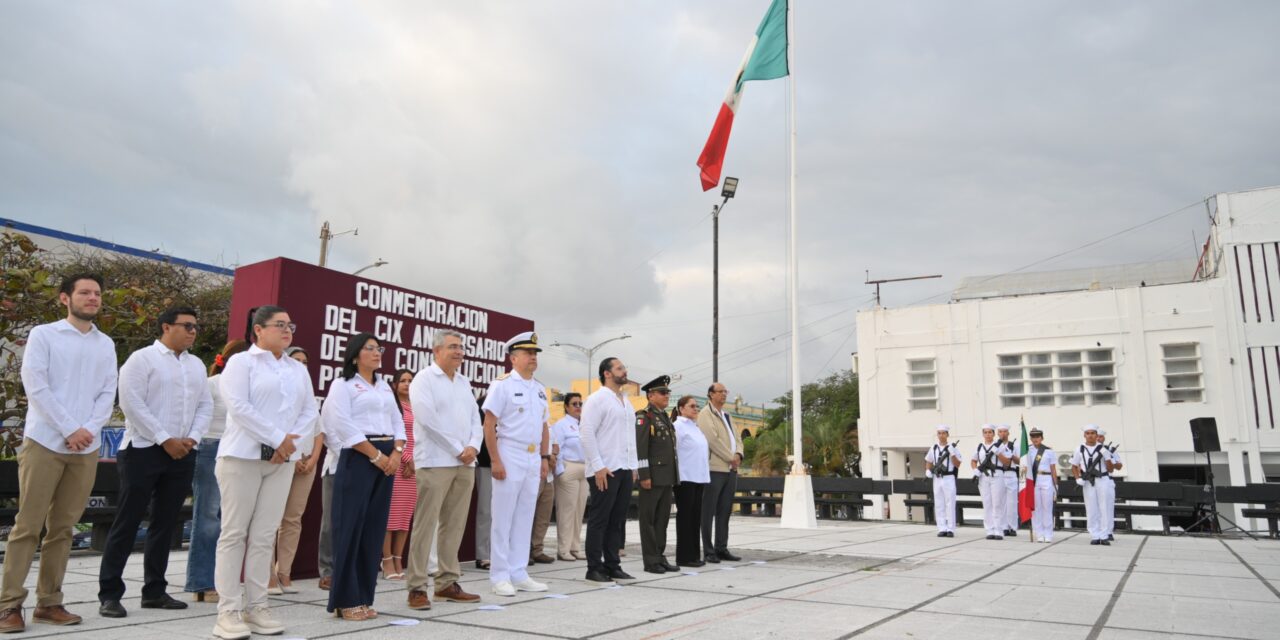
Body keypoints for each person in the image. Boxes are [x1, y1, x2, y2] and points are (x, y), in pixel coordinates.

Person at [0, 274, 117, 633]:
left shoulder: (105, 343)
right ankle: (8, 605)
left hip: (85, 447)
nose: (92, 298)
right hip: (46, 442)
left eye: (97, 293)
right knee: (28, 526)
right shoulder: (44, 335)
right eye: (85, 292)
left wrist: (89, 431)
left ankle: (49, 602)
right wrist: (70, 429)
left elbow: (107, 391)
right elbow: (36, 385)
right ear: (65, 298)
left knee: (64, 527)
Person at [98, 306, 213, 618]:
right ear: (165, 327)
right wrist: (165, 439)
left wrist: (193, 438)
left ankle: (155, 591)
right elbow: (131, 403)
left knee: (166, 522)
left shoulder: (196, 365)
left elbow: (205, 404)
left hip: (183, 452)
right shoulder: (142, 359)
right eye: (187, 326)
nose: (193, 332)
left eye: (195, 327)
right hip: (143, 450)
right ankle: (110, 593)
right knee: (128, 520)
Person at [212, 306, 317, 640]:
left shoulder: (296, 370)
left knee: (263, 535)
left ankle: (257, 606)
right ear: (258, 329)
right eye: (280, 325)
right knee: (234, 534)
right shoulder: (241, 363)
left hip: (281, 462)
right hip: (242, 457)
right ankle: (227, 611)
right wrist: (277, 440)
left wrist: (288, 447)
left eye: (290, 325)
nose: (287, 331)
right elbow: (239, 407)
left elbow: (309, 411)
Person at [322, 333, 405, 620]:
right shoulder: (342, 384)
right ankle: (346, 600)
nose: (376, 352)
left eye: (379, 348)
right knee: (351, 529)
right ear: (355, 354)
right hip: (359, 456)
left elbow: (398, 421)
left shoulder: (383, 386)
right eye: (369, 348)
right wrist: (376, 456)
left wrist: (395, 452)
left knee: (372, 530)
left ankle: (364, 597)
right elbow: (342, 424)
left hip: (387, 457)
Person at [405, 330, 483, 610]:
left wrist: (473, 446)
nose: (459, 352)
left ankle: (446, 583)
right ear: (437, 351)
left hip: (465, 463)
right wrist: (457, 449)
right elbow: (427, 419)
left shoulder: (463, 382)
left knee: (454, 524)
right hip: (436, 461)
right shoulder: (424, 380)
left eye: (461, 347)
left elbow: (476, 417)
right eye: (453, 347)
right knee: (426, 526)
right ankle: (416, 586)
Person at [481, 332, 551, 596]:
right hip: (509, 452)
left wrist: (544, 457)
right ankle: (499, 575)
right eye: (528, 353)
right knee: (503, 516)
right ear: (513, 358)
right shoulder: (503, 385)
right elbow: (489, 424)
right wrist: (495, 459)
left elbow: (544, 426)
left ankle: (519, 572)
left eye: (535, 354)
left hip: (533, 457)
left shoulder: (541, 388)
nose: (533, 357)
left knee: (524, 516)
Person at [186, 339, 249, 603]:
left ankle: (223, 579)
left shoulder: (247, 387)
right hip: (211, 447)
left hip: (239, 450)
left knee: (230, 520)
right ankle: (202, 581)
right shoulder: (212, 384)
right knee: (208, 515)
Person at [267, 346, 323, 596]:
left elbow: (318, 432)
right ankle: (266, 575)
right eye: (296, 360)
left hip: (306, 463)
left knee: (292, 518)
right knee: (269, 519)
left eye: (305, 361)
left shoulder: (308, 393)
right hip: (282, 460)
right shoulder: (279, 391)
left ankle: (284, 572)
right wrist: (294, 455)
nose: (301, 364)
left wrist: (311, 460)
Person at [580, 356, 639, 585]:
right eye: (620, 368)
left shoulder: (626, 400)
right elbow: (586, 434)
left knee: (617, 520)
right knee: (599, 520)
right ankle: (594, 568)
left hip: (623, 468)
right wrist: (598, 466)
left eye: (624, 367)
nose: (624, 371)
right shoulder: (596, 400)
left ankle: (613, 565)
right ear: (607, 373)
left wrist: (633, 466)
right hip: (604, 469)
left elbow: (629, 437)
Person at [636, 375, 679, 574]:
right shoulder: (645, 416)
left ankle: (660, 556)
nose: (666, 395)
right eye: (663, 392)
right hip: (652, 477)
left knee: (662, 520)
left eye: (667, 392)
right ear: (650, 395)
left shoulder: (663, 416)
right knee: (649, 521)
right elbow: (641, 449)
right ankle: (651, 560)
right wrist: (644, 475)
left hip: (666, 477)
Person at [697, 382, 742, 563]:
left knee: (725, 511)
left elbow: (738, 438)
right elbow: (712, 440)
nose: (724, 394)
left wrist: (739, 454)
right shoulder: (705, 414)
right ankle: (708, 551)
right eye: (720, 392)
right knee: (708, 511)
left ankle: (721, 547)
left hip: (731, 470)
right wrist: (730, 457)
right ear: (711, 394)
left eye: (725, 391)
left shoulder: (727, 415)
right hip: (715, 469)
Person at [383, 368, 417, 581]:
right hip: (396, 463)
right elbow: (392, 434)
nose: (407, 384)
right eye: (403, 381)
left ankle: (398, 559)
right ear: (394, 385)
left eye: (410, 380)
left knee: (405, 517)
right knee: (390, 516)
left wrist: (415, 462)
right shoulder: (391, 406)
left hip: (415, 468)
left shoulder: (418, 407)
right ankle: (386, 560)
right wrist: (405, 459)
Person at [671, 396, 708, 568]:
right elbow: (673, 452)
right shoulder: (678, 426)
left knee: (695, 517)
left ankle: (693, 554)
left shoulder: (695, 427)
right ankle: (684, 556)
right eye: (691, 406)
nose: (695, 409)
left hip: (698, 477)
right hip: (685, 478)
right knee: (685, 518)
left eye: (697, 406)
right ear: (681, 408)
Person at [552, 393, 588, 561]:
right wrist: (560, 470)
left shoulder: (585, 424)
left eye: (580, 403)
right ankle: (563, 549)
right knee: (567, 510)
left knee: (579, 510)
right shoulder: (561, 425)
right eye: (574, 403)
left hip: (584, 468)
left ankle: (575, 547)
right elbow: (557, 447)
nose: (578, 406)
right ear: (566, 406)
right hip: (569, 466)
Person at [1070, 424, 1115, 546]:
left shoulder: (1103, 449)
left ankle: (1104, 535)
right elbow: (1074, 466)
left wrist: (1107, 458)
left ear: (1097, 435)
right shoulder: (1079, 448)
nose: (1090, 435)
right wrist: (1077, 478)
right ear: (1084, 435)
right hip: (1088, 481)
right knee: (1091, 508)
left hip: (1103, 479)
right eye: (1088, 433)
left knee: (1104, 508)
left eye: (1093, 433)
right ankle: (1095, 535)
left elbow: (1111, 470)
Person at [970, 424, 1008, 541]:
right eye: (985, 432)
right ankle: (989, 530)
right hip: (983, 477)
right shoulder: (979, 447)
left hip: (997, 475)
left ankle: (999, 530)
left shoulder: (1000, 446)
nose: (987, 435)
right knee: (987, 504)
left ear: (994, 434)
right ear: (983, 434)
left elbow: (1007, 462)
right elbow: (973, 460)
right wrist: (975, 469)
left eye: (990, 432)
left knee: (997, 503)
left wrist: (998, 453)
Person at [924, 425, 961, 537]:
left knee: (950, 503)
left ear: (947, 435)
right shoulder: (934, 448)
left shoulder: (952, 448)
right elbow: (929, 461)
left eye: (943, 433)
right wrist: (928, 471)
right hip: (937, 478)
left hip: (949, 477)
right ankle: (941, 528)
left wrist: (952, 454)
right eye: (939, 433)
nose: (941, 435)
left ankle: (950, 528)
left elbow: (958, 464)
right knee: (939, 503)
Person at [529, 427, 560, 566]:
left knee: (544, 515)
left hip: (548, 476)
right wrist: (546, 458)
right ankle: (524, 551)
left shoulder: (549, 424)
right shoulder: (532, 419)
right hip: (535, 471)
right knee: (528, 514)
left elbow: (555, 445)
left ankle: (537, 549)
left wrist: (553, 455)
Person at [1025, 428, 1057, 543]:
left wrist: (1055, 485)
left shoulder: (1049, 451)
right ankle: (1039, 533)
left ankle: (1048, 534)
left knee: (1047, 508)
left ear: (1042, 438)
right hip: (1033, 481)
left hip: (1046, 479)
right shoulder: (1027, 450)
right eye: (1033, 437)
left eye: (1038, 437)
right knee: (1036, 508)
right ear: (1030, 439)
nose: (1035, 439)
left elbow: (1053, 469)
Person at [474, 396, 493, 570]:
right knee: (485, 511)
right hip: (487, 464)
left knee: (503, 513)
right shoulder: (482, 404)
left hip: (510, 465)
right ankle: (483, 555)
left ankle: (499, 553)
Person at [996, 424, 1020, 537]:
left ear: (1008, 433)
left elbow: (1020, 461)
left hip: (1011, 474)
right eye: (1000, 432)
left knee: (1012, 503)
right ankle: (1003, 527)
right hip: (999, 475)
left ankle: (1013, 527)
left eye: (1005, 431)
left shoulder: (1014, 445)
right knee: (1001, 503)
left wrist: (1012, 456)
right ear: (997, 433)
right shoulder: (995, 446)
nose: (1002, 434)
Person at [1097, 427, 1121, 542]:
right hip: (1094, 480)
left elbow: (1119, 466)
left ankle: (1108, 531)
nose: (1098, 438)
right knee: (1095, 508)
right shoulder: (1089, 449)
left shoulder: (1111, 449)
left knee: (1107, 507)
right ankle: (1097, 531)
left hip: (1107, 480)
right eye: (1096, 436)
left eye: (1100, 437)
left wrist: (1111, 460)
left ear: (1103, 438)